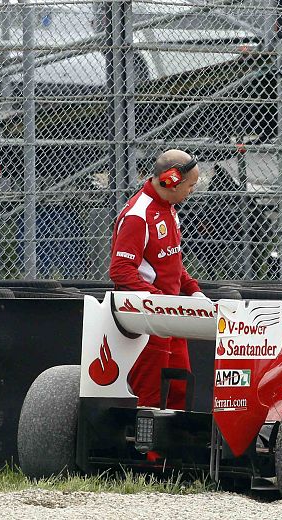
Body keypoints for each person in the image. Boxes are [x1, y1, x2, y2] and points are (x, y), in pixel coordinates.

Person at [109, 149, 204, 410]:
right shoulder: (138, 215)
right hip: (148, 321)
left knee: (179, 391)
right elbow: (120, 270)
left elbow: (171, 261)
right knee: (151, 396)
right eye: (190, 185)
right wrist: (157, 299)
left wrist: (193, 290)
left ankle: (172, 451)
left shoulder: (170, 209)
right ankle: (147, 453)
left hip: (170, 316)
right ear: (171, 179)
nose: (192, 191)